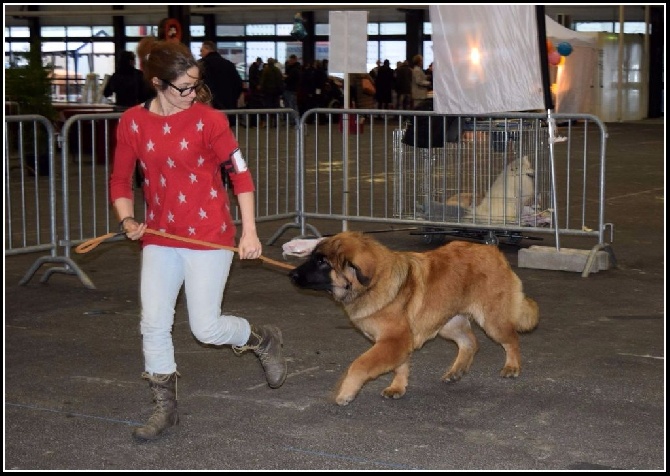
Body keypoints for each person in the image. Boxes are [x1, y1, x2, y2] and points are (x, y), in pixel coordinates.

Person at [108, 40, 287, 442]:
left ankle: (262, 338)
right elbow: (120, 180)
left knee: (205, 328)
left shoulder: (211, 120)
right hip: (159, 235)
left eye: (194, 85)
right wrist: (127, 219)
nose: (192, 94)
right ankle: (165, 409)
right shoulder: (132, 123)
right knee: (153, 323)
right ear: (158, 83)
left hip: (209, 235)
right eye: (183, 87)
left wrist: (251, 231)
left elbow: (240, 175)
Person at [199, 40, 243, 124]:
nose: (200, 54)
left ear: (207, 49)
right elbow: (238, 85)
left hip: (208, 109)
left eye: (202, 50)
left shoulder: (202, 65)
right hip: (228, 108)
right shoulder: (228, 64)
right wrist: (232, 100)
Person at [283, 54, 301, 125]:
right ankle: (293, 120)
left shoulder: (294, 69)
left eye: (290, 60)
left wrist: (286, 78)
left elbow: (291, 79)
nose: (289, 61)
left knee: (291, 105)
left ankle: (294, 120)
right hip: (291, 89)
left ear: (294, 60)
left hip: (291, 89)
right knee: (291, 105)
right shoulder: (295, 68)